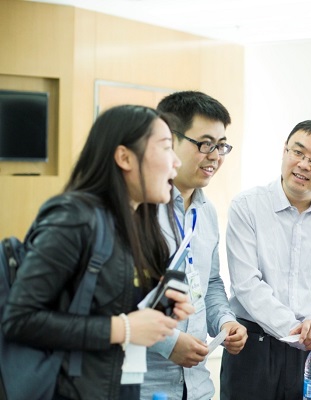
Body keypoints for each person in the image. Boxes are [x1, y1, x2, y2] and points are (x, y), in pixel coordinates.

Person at [2, 105, 195, 400]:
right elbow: (20, 319)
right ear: (124, 157)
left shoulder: (136, 223)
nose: (176, 162)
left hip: (115, 387)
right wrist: (123, 328)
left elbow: (104, 306)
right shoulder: (75, 218)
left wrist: (159, 307)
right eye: (167, 147)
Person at [220, 119, 311, 400]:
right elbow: (247, 284)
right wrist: (299, 332)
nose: (304, 164)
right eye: (298, 152)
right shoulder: (247, 206)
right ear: (284, 151)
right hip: (254, 348)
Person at [141, 91, 248, 400]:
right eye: (204, 144)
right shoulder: (138, 209)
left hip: (197, 385)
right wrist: (169, 342)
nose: (215, 156)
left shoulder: (207, 211)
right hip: (144, 384)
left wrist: (226, 321)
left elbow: (209, 282)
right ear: (168, 140)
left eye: (221, 145)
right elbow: (115, 298)